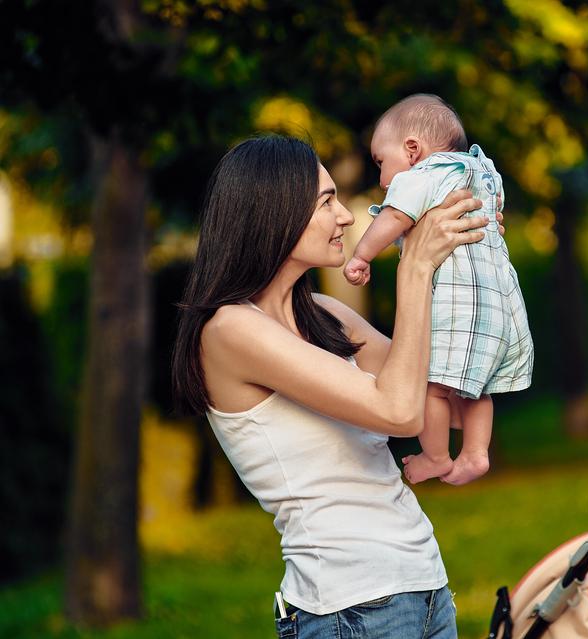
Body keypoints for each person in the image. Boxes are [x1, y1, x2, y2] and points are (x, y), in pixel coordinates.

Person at [171, 135, 491, 638]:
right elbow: (400, 414)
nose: (345, 217)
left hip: (425, 587)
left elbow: (450, 403)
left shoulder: (326, 316)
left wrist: (472, 265)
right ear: (273, 212)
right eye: (326, 202)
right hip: (351, 608)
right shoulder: (230, 331)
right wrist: (415, 268)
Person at [343, 94, 534, 485]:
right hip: (502, 306)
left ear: (412, 150)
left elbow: (395, 215)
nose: (382, 180)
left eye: (382, 162)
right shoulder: (481, 173)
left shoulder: (424, 175)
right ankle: (477, 454)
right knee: (476, 388)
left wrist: (361, 254)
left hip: (460, 304)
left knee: (431, 386)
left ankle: (435, 456)